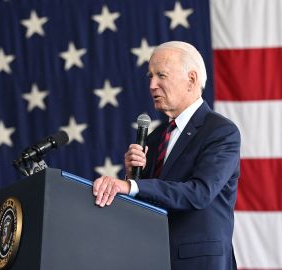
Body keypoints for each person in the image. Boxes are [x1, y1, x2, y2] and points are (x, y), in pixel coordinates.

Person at [92, 41, 240, 270]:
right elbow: (147, 203)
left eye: (161, 75)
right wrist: (134, 176)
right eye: (150, 76)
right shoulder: (154, 138)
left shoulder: (220, 132)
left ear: (191, 79)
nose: (152, 85)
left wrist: (130, 186)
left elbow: (199, 193)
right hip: (152, 257)